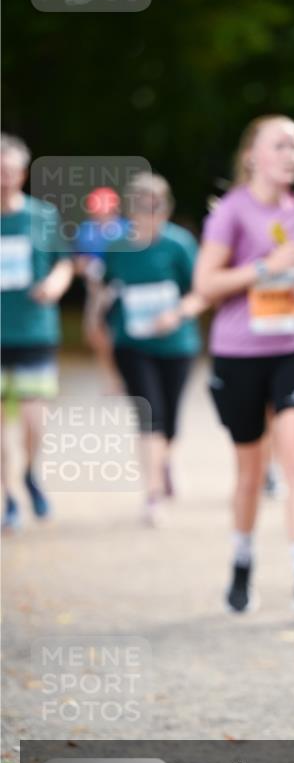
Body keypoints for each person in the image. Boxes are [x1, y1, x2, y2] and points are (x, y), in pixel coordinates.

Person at [194, 114, 294, 613]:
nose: (291, 156)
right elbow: (205, 285)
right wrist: (265, 269)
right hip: (239, 355)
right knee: (250, 472)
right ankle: (241, 562)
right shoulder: (232, 213)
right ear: (253, 156)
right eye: (280, 146)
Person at [92, 172, 205, 526]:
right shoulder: (117, 247)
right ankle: (153, 495)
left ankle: (165, 460)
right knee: (149, 416)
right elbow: (105, 286)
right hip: (133, 344)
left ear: (167, 209)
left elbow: (200, 292)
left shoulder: (180, 244)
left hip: (176, 345)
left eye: (157, 207)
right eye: (143, 207)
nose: (150, 214)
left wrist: (177, 313)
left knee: (170, 421)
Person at [1, 134, 74, 529]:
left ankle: (30, 473)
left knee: (33, 422)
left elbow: (64, 263)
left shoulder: (41, 216)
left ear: (22, 173)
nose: (4, 179)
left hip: (34, 333)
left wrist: (54, 286)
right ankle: (9, 498)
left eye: (9, 171)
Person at [74, 187, 127, 394]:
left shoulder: (126, 229)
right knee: (94, 333)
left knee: (120, 334)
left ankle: (123, 376)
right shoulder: (85, 230)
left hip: (119, 288)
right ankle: (113, 378)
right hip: (96, 289)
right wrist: (87, 267)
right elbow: (77, 261)